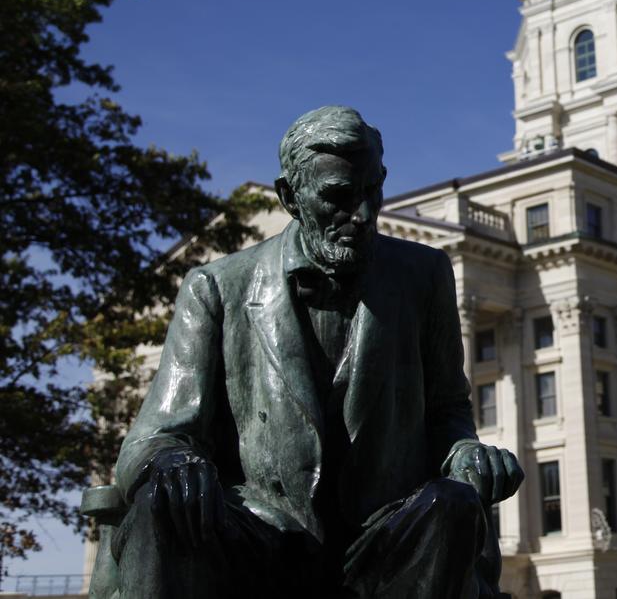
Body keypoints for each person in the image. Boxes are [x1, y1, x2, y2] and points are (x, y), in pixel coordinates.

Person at [108, 106, 522, 598]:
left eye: (372, 192)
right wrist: (173, 463)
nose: (363, 215)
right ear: (290, 197)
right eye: (339, 197)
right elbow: (152, 439)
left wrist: (467, 453)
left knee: (452, 505)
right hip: (260, 537)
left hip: (384, 536)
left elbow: (448, 411)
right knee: (163, 501)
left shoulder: (424, 274)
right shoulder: (216, 288)